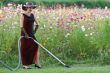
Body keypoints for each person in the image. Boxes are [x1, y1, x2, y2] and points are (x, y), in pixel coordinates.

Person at [20, 2, 41, 69]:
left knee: (37, 45)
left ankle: (37, 62)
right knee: (24, 49)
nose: (30, 8)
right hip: (24, 34)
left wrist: (33, 32)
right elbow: (21, 27)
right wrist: (26, 35)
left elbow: (37, 25)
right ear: (26, 7)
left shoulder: (32, 15)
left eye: (31, 7)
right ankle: (25, 65)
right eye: (29, 7)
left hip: (31, 34)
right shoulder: (22, 15)